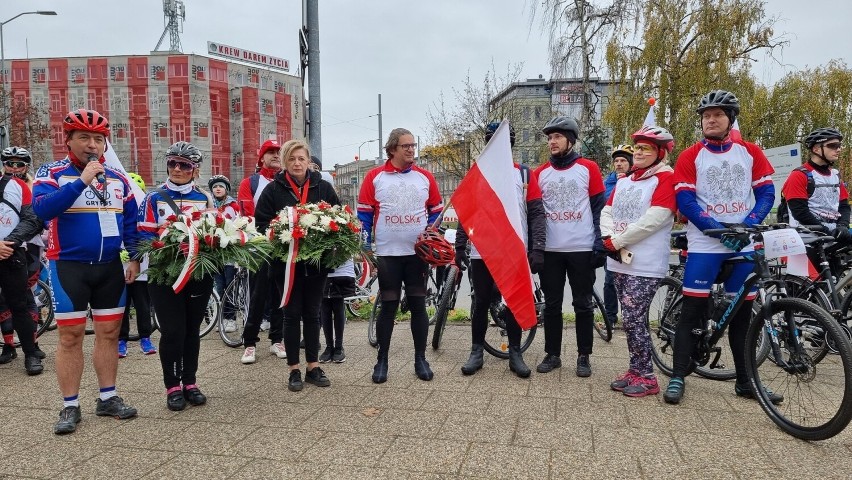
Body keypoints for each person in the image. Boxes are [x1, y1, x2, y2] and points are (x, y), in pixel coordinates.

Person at [665, 90, 777, 405]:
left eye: (717, 115)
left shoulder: (751, 152)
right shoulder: (690, 156)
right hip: (705, 243)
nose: (710, 120)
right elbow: (684, 199)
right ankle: (677, 376)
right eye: (706, 116)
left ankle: (745, 382)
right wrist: (714, 229)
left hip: (743, 241)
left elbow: (766, 192)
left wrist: (750, 223)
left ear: (730, 119)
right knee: (692, 311)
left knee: (742, 317)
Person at [33, 109, 140, 434]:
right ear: (68, 140)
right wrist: (82, 181)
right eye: (84, 137)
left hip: (109, 268)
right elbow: (42, 208)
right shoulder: (51, 173)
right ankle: (70, 405)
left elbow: (131, 223)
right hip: (69, 268)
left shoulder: (119, 179)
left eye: (98, 139)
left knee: (109, 334)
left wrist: (135, 258)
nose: (92, 144)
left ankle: (107, 397)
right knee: (70, 337)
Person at [455, 121, 545, 378]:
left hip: (514, 249)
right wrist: (460, 245)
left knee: (513, 301)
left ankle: (515, 352)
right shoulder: (478, 174)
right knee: (481, 301)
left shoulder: (525, 174)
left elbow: (537, 214)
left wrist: (538, 248)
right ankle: (476, 352)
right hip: (482, 251)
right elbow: (466, 213)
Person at [358, 128, 444, 383]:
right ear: (392, 149)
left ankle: (420, 358)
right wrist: (365, 247)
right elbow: (363, 215)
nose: (411, 150)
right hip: (388, 253)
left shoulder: (425, 177)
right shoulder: (375, 177)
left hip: (417, 253)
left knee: (418, 305)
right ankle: (382, 360)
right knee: (389, 307)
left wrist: (431, 230)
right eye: (406, 146)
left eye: (413, 145)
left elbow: (436, 210)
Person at [254, 140, 340, 392]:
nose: (297, 163)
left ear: (308, 160)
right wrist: (281, 234)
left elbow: (337, 218)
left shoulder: (322, 187)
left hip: (316, 263)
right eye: (291, 159)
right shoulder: (273, 190)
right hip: (285, 265)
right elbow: (261, 225)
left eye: (301, 158)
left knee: (313, 314)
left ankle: (313, 366)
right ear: (284, 162)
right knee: (291, 316)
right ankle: (294, 369)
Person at [138, 141, 215, 411]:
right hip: (164, 273)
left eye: (184, 165)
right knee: (173, 330)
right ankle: (172, 385)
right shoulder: (153, 197)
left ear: (195, 169)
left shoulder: (205, 198)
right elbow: (143, 236)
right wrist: (162, 245)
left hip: (197, 271)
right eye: (172, 163)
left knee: (192, 329)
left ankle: (190, 382)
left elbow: (213, 231)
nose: (178, 169)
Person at [601, 126, 676, 397]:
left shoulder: (666, 178)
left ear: (660, 152)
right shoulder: (624, 181)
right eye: (638, 148)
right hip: (619, 260)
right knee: (630, 319)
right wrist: (608, 237)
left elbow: (654, 219)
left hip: (645, 261)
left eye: (647, 148)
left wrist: (617, 240)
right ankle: (635, 369)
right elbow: (607, 211)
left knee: (634, 318)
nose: (640, 152)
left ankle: (647, 377)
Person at [534, 116, 606, 378]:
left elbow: (599, 208)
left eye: (557, 137)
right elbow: (534, 213)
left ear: (571, 140)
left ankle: (583, 355)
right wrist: (536, 248)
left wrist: (600, 243)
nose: (552, 141)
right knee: (552, 305)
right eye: (550, 137)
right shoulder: (539, 173)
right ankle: (552, 354)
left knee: (583, 304)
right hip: (551, 250)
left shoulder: (588, 168)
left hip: (581, 248)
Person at [237, 139, 286, 363]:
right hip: (259, 246)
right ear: (261, 157)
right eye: (271, 152)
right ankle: (249, 342)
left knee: (280, 295)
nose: (276, 155)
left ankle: (277, 339)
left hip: (283, 246)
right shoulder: (251, 182)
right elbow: (248, 215)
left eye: (278, 152)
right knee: (257, 295)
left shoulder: (287, 181)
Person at [0, 146, 48, 363]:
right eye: (10, 163)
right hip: (11, 248)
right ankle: (9, 346)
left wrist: (9, 243)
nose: (14, 167)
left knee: (20, 303)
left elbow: (34, 219)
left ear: (27, 166)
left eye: (20, 164)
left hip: (17, 252)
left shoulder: (25, 186)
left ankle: (31, 351)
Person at [781, 128, 850, 275]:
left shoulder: (835, 176)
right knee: (811, 292)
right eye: (832, 146)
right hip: (806, 239)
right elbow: (800, 213)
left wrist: (843, 226)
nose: (838, 149)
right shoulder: (799, 175)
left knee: (835, 287)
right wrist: (826, 230)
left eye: (839, 146)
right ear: (816, 149)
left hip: (830, 236)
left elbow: (844, 205)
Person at [119, 172, 156, 358]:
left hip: (141, 268)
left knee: (142, 304)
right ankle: (121, 340)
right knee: (122, 306)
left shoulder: (146, 208)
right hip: (120, 267)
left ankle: (145, 338)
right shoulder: (118, 210)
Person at [602, 145, 633, 327]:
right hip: (613, 237)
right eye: (616, 161)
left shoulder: (639, 181)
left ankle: (631, 318)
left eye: (623, 161)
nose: (619, 164)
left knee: (632, 281)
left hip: (633, 236)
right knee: (610, 280)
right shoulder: (608, 183)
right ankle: (610, 318)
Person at [208, 174, 239, 333]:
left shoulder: (233, 207)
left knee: (230, 287)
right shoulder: (209, 205)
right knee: (218, 288)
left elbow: (239, 226)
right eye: (215, 187)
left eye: (220, 186)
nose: (217, 189)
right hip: (215, 253)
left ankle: (231, 319)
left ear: (226, 189)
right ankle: (220, 318)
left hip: (229, 254)